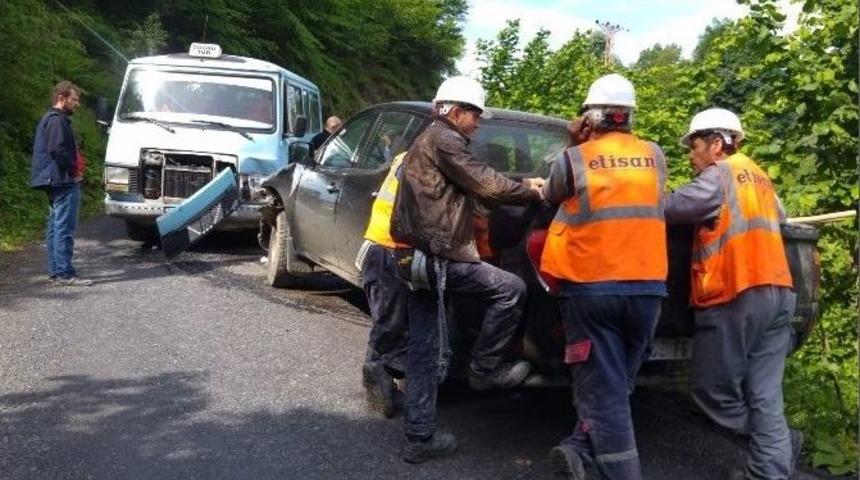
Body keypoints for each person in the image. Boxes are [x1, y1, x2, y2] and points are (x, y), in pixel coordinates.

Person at [390, 75, 545, 463]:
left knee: (425, 349)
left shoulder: (429, 138)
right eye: (475, 116)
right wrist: (531, 189)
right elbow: (485, 183)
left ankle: (419, 438)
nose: (478, 125)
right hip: (438, 258)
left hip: (415, 258)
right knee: (510, 289)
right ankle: (485, 366)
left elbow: (469, 189)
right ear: (456, 112)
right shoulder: (444, 139)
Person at [541, 74, 668, 480]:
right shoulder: (655, 155)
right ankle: (578, 449)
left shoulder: (575, 158)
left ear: (588, 119)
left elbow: (550, 195)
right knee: (615, 383)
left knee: (604, 390)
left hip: (592, 288)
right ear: (629, 116)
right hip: (649, 290)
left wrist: (573, 142)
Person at [664, 108, 799, 480]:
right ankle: (770, 468)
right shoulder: (760, 177)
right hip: (780, 291)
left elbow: (668, 208)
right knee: (764, 393)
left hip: (736, 292)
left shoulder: (717, 176)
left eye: (694, 146)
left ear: (717, 143)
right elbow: (782, 219)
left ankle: (777, 442)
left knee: (711, 390)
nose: (691, 156)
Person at [358, 151, 410, 418]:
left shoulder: (406, 156)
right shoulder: (420, 160)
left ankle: (383, 388)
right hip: (386, 249)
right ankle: (379, 387)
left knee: (390, 321)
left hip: (386, 248)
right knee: (388, 323)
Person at [30, 81, 93, 287]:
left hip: (53, 179)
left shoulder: (51, 119)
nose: (77, 104)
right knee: (64, 227)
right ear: (61, 98)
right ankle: (64, 273)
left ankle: (56, 271)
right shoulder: (57, 120)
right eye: (74, 99)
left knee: (55, 225)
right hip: (62, 179)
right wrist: (74, 172)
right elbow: (58, 150)